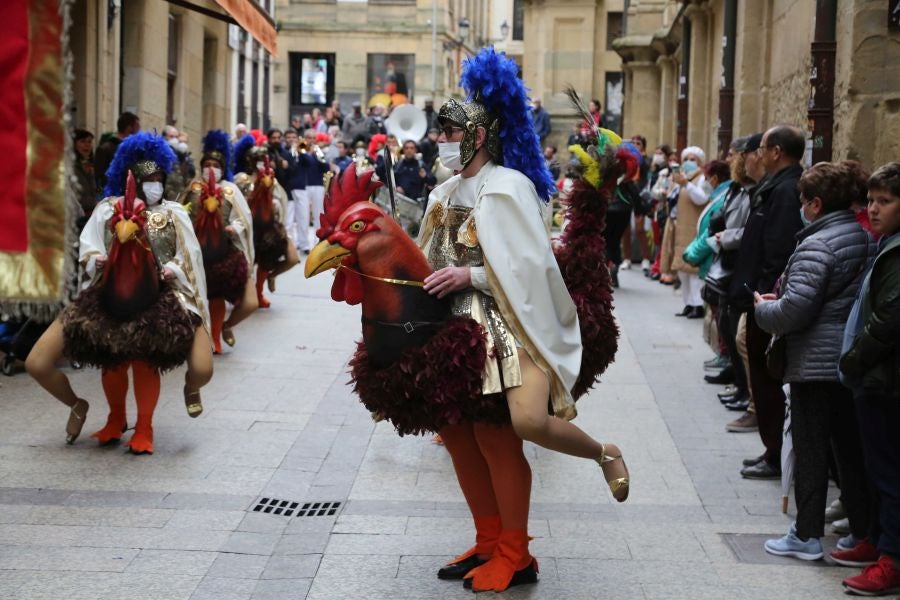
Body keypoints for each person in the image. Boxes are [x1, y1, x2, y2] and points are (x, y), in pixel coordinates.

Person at [420, 49, 629, 593]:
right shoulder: (442, 192)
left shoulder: (507, 185)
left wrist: (472, 278)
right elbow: (429, 256)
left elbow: (531, 267)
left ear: (479, 136)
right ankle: (489, 541)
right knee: (459, 435)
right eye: (439, 129)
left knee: (518, 427)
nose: (440, 138)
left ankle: (589, 466)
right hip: (452, 334)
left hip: (509, 326)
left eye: (449, 129)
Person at [25, 132, 213, 453]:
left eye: (158, 178)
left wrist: (174, 269)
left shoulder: (174, 214)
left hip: (163, 296)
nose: (153, 184)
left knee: (199, 368)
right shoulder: (108, 209)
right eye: (147, 179)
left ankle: (150, 421)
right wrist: (94, 259)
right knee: (43, 362)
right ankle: (101, 413)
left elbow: (190, 257)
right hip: (106, 293)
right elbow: (87, 245)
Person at [754, 161, 874, 563]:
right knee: (847, 452)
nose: (800, 208)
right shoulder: (861, 235)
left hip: (815, 363)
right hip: (845, 360)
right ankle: (863, 532)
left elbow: (795, 311)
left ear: (816, 204)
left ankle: (805, 536)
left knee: (810, 450)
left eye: (804, 201)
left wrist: (763, 310)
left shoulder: (818, 244)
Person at [838, 162, 900, 596]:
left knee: (889, 473)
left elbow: (889, 318)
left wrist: (855, 360)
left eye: (885, 201)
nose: (873, 210)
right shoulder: (886, 245)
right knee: (875, 467)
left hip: (883, 380)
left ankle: (891, 559)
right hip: (872, 378)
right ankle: (877, 542)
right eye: (872, 200)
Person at [730, 125, 805, 480]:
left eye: (760, 148)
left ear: (776, 151)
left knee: (767, 378)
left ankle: (775, 453)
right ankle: (771, 449)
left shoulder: (786, 190)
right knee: (761, 376)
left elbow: (778, 248)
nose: (756, 155)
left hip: (766, 300)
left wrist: (764, 295)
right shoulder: (775, 187)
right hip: (759, 296)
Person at [178, 130, 258, 355]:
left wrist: (235, 227)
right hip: (194, 251)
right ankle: (196, 338)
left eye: (215, 164)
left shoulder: (230, 190)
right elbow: (179, 212)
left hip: (223, 252)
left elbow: (243, 217)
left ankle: (218, 333)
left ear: (222, 168)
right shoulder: (192, 187)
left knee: (219, 298)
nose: (210, 168)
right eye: (207, 164)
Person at [233, 135, 300, 308]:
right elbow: (234, 202)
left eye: (264, 160)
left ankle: (262, 287)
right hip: (247, 228)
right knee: (247, 264)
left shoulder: (271, 179)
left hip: (269, 227)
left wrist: (276, 209)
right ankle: (247, 295)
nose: (262, 163)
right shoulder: (241, 180)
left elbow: (281, 201)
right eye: (258, 160)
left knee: (288, 258)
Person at [670, 146, 710, 317]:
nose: (689, 162)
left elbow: (702, 198)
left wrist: (687, 184)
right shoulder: (683, 179)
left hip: (694, 227)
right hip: (681, 227)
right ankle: (687, 303)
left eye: (693, 159)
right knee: (682, 268)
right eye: (687, 159)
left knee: (693, 269)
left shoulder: (702, 178)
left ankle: (697, 304)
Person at [94, 111, 140, 192]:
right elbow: (97, 176)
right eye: (137, 127)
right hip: (111, 198)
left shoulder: (134, 149)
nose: (139, 130)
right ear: (129, 128)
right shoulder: (105, 149)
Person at [72, 129, 97, 221]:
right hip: (77, 216)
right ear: (74, 144)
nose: (87, 145)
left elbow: (94, 191)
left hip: (91, 214)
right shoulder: (71, 166)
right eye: (82, 141)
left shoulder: (90, 166)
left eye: (89, 142)